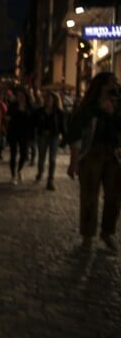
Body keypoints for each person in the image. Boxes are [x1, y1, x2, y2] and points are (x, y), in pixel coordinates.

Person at [66, 71, 121, 252]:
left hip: (113, 154)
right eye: (113, 82)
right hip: (92, 154)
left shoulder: (118, 105)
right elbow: (76, 134)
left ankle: (107, 232)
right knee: (89, 196)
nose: (116, 85)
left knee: (114, 196)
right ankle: (87, 236)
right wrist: (74, 161)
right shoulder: (89, 107)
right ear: (103, 85)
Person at [34, 90, 65, 191]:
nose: (47, 100)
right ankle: (40, 172)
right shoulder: (40, 111)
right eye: (46, 98)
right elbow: (36, 124)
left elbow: (62, 126)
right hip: (42, 136)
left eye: (49, 98)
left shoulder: (58, 112)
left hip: (54, 137)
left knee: (52, 159)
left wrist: (65, 138)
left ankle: (50, 180)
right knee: (41, 157)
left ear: (53, 100)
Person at [6, 87, 34, 185]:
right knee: (13, 154)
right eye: (18, 95)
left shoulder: (29, 106)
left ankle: (19, 170)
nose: (20, 97)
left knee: (24, 154)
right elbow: (8, 116)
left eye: (22, 95)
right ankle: (13, 175)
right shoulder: (13, 105)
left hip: (24, 133)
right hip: (14, 132)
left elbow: (32, 120)